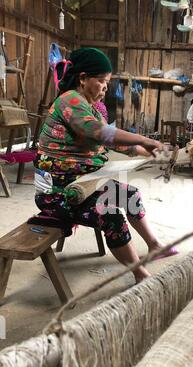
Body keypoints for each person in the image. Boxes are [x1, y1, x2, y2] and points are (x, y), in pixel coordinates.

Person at [34, 48, 178, 283]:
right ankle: (140, 274)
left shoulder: (89, 108)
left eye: (107, 82)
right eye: (101, 81)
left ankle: (153, 245)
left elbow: (119, 145)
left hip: (83, 183)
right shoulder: (69, 101)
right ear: (82, 78)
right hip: (57, 192)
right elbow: (99, 132)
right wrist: (144, 139)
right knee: (110, 215)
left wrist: (156, 153)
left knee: (129, 194)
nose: (105, 87)